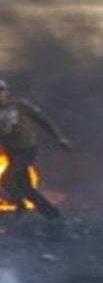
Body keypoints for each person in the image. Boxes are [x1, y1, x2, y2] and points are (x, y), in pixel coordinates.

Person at [0, 79, 71, 219]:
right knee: (26, 188)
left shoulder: (19, 106)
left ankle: (19, 206)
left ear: (6, 92)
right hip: (12, 152)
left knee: (7, 179)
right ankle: (52, 215)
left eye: (1, 91)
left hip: (27, 149)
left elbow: (42, 120)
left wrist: (59, 138)